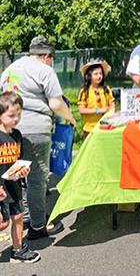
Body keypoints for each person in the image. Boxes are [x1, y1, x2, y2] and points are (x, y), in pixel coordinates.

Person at [0, 36, 76, 240]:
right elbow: (56, 104)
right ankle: (38, 226)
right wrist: (71, 118)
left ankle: (24, 217)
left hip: (9, 132)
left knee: (18, 176)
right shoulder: (44, 70)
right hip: (36, 131)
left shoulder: (9, 70)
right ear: (47, 56)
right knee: (37, 179)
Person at [0, 92, 41, 263]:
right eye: (11, 115)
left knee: (18, 218)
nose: (16, 119)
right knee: (2, 223)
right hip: (0, 187)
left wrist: (24, 171)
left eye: (19, 114)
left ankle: (18, 250)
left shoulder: (17, 135)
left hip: (14, 185)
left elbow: (20, 160)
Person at [77, 59, 115, 139]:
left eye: (100, 73)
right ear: (89, 76)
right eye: (96, 74)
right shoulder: (85, 91)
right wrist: (99, 110)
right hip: (90, 129)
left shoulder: (106, 89)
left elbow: (112, 105)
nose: (99, 76)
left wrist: (110, 112)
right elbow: (81, 110)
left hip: (105, 127)